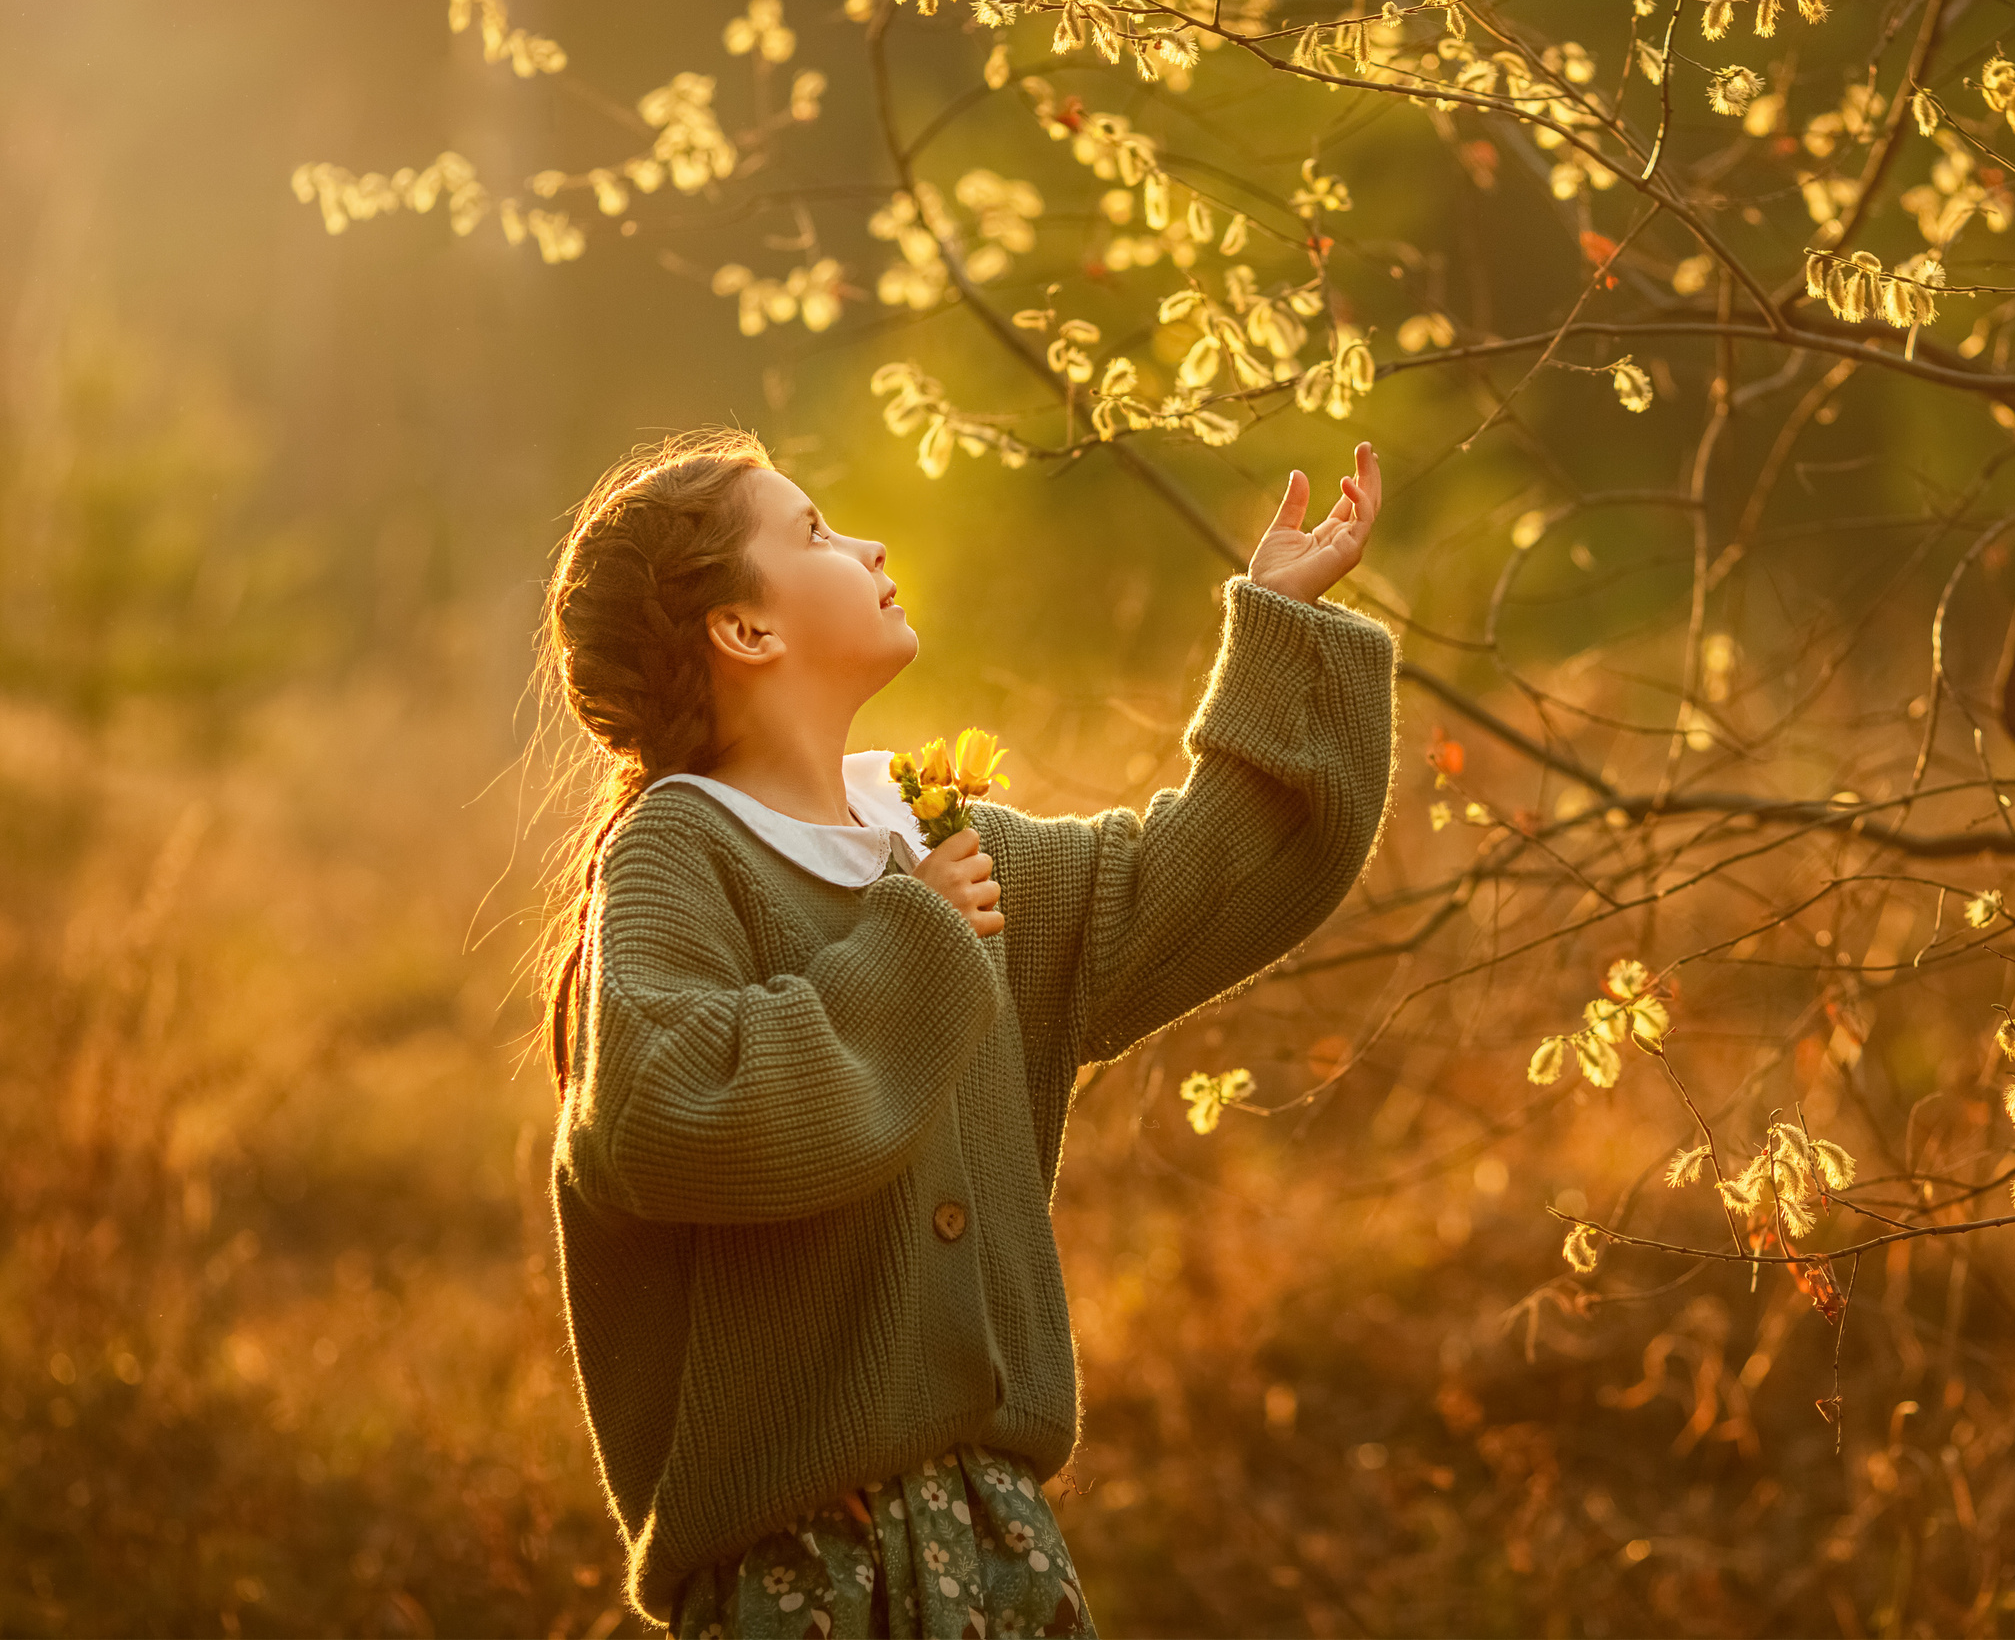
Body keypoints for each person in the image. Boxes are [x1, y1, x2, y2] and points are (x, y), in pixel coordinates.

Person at [533, 426, 1394, 1635]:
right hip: (805, 1581)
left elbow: (1193, 881)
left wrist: (1277, 622)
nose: (867, 543)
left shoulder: (932, 841)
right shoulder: (682, 851)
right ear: (746, 630)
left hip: (1004, 1553)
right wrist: (915, 948)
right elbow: (661, 1116)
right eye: (817, 533)